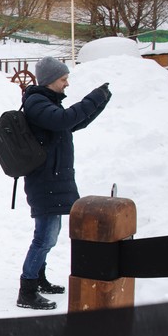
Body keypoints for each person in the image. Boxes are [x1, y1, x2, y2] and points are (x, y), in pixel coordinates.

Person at [17, 57, 111, 309]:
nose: (67, 84)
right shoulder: (36, 102)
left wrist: (100, 101)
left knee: (50, 235)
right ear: (50, 80)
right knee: (44, 237)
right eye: (63, 79)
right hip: (44, 181)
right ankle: (26, 290)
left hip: (53, 180)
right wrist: (93, 98)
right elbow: (64, 120)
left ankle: (38, 278)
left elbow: (74, 122)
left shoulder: (47, 103)